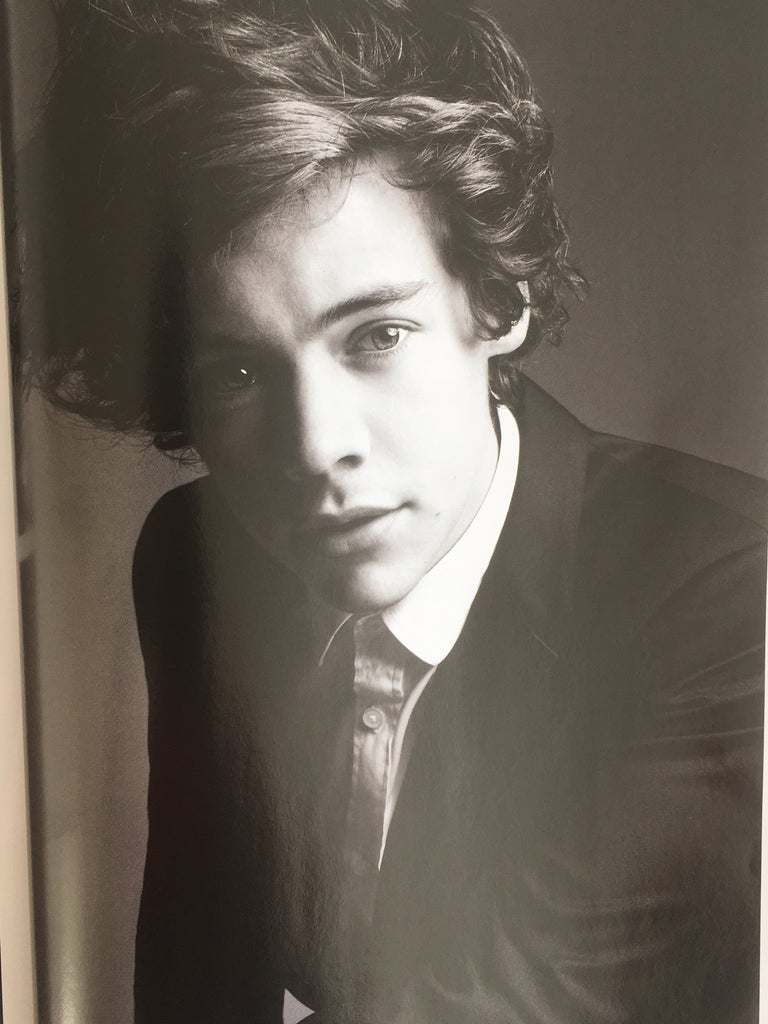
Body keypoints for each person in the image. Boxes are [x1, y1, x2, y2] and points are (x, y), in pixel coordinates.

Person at [22, 0, 765, 1021]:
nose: (315, 447)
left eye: (376, 336)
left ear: (496, 300)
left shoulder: (723, 586)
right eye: (239, 370)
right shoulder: (196, 560)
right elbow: (199, 972)